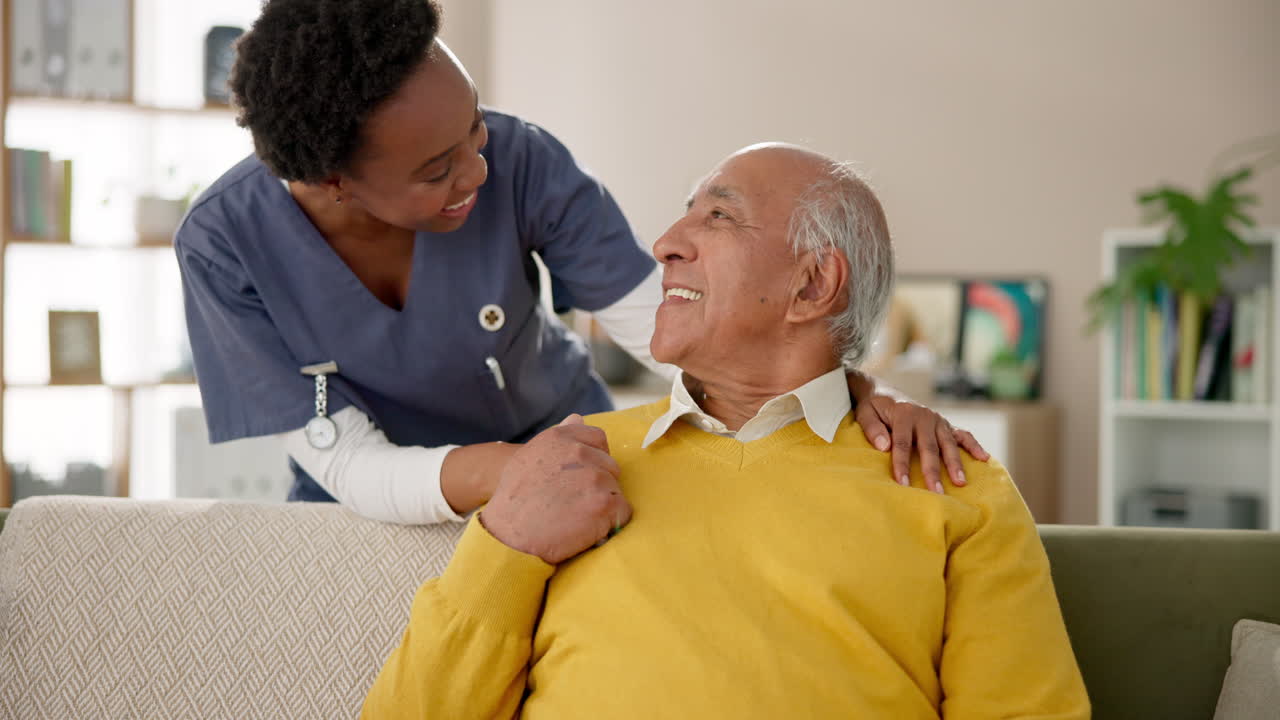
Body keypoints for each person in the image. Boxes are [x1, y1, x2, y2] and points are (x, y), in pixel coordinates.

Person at [175, 0, 984, 526]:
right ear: (331, 182)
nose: (478, 173)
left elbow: (669, 324)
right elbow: (348, 462)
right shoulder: (224, 247)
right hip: (377, 505)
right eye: (436, 172)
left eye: (474, 133)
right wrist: (518, 477)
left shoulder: (521, 160)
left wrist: (855, 400)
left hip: (571, 447)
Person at [361, 144, 1089, 718]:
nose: (666, 242)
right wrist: (507, 548)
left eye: (717, 217)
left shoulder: (950, 483)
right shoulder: (569, 465)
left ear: (812, 285)